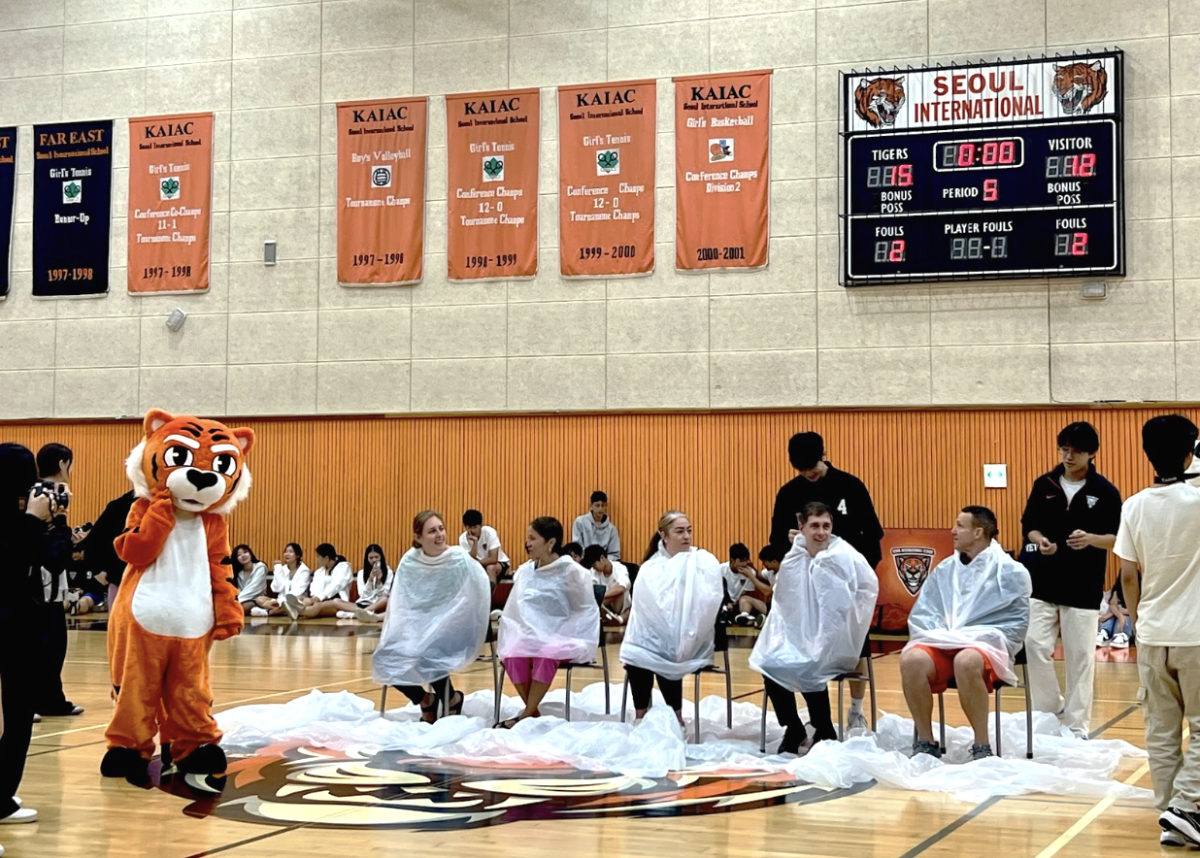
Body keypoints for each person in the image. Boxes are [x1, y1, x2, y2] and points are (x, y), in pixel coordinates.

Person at [1114, 415, 1200, 847]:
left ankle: (1171, 815)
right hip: (1197, 635)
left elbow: (1129, 575)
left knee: (1161, 733)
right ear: (1190, 452)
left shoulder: (1133, 505)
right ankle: (1186, 808)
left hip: (1151, 632)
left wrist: (1137, 622)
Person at [900, 506, 1031, 761]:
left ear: (978, 532)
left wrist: (977, 638)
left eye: (960, 525)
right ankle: (926, 741)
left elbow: (1015, 625)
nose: (953, 530)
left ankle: (981, 744)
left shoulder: (1010, 572)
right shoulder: (945, 570)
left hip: (985, 647)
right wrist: (943, 635)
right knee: (911, 659)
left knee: (967, 660)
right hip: (944, 642)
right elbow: (925, 613)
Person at [750, 502, 878, 754]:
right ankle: (794, 726)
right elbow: (784, 603)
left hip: (836, 639)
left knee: (808, 662)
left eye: (826, 526)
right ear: (802, 527)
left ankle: (823, 726)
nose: (821, 532)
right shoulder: (794, 558)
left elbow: (864, 591)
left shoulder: (844, 556)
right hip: (798, 636)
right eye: (815, 526)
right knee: (769, 662)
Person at [1020, 421, 1121, 738]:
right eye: (1064, 449)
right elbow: (1029, 531)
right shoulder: (1044, 484)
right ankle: (1048, 710)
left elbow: (1117, 539)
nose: (1068, 455)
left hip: (1083, 587)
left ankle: (1077, 727)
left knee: (1080, 659)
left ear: (1092, 453)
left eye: (1076, 451)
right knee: (1034, 644)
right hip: (1043, 583)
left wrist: (1091, 538)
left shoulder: (1104, 492)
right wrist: (1041, 543)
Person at [0, 442, 72, 826]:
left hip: (20, 624)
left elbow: (55, 558)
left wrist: (56, 519)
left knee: (19, 715)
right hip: (12, 620)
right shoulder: (19, 518)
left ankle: (2, 797)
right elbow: (10, 561)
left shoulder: (24, 515)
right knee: (14, 716)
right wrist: (34, 521)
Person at [373, 511, 489, 722]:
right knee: (385, 656)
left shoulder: (458, 558)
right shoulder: (409, 561)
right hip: (418, 626)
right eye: (432, 531)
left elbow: (471, 597)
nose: (439, 535)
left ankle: (450, 698)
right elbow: (403, 601)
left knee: (427, 648)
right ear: (418, 537)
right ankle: (426, 699)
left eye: (441, 529)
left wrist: (439, 622)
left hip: (455, 625)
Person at [619, 511, 723, 726]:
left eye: (689, 530)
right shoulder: (650, 568)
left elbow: (708, 603)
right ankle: (641, 716)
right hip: (656, 634)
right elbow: (643, 612)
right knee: (637, 654)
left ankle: (677, 718)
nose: (686, 536)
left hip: (691, 637)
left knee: (668, 651)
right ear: (663, 535)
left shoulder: (701, 562)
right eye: (680, 531)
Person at [496, 517, 599, 728]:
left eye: (533, 538)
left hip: (566, 636)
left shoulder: (571, 571)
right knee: (512, 653)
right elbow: (517, 611)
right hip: (534, 635)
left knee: (547, 652)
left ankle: (525, 715)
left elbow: (582, 611)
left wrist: (554, 632)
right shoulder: (525, 571)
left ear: (550, 543)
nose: (528, 543)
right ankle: (531, 711)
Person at [32, 443, 81, 718]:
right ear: (63, 464)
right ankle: (39, 701)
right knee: (47, 645)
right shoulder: (49, 492)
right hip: (41, 581)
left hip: (49, 581)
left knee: (52, 645)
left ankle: (50, 699)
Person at [77, 489, 135, 610]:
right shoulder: (121, 505)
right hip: (123, 582)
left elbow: (93, 542)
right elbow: (94, 542)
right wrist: (99, 569)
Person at [284, 544, 353, 620]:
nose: (317, 560)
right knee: (301, 598)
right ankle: (294, 608)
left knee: (317, 606)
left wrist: (319, 598)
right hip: (319, 599)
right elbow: (314, 587)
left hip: (336, 602)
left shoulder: (343, 568)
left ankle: (299, 612)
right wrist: (314, 598)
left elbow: (336, 586)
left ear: (326, 558)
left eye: (318, 557)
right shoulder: (319, 571)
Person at [720, 543, 771, 627]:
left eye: (746, 560)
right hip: (724, 603)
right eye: (741, 561)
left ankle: (745, 618)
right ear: (732, 560)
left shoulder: (750, 573)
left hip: (739, 606)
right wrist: (726, 603)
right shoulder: (720, 570)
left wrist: (734, 604)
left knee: (744, 600)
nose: (744, 564)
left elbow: (745, 594)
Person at [582, 544, 630, 625]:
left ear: (602, 558)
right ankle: (613, 618)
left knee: (621, 589)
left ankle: (621, 618)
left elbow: (621, 588)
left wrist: (601, 595)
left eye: (594, 564)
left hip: (619, 604)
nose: (593, 568)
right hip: (603, 606)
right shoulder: (593, 572)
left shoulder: (620, 568)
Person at [458, 510, 510, 582]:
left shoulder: (489, 532)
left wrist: (475, 564)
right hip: (479, 565)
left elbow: (493, 559)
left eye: (475, 527)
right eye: (469, 527)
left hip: (499, 562)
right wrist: (475, 543)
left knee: (490, 568)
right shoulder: (463, 538)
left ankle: (489, 593)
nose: (472, 530)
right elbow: (470, 560)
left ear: (481, 525)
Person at [572, 490, 621, 561]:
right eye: (597, 505)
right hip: (584, 562)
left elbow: (615, 555)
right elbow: (577, 548)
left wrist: (601, 560)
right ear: (591, 506)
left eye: (603, 505)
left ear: (606, 506)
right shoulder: (580, 522)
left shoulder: (612, 529)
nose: (600, 509)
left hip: (603, 565)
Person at [231, 545, 270, 616]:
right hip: (243, 600)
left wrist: (236, 601)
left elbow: (254, 588)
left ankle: (266, 611)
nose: (243, 556)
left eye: (245, 552)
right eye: (239, 555)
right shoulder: (239, 573)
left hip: (257, 599)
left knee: (241, 608)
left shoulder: (260, 567)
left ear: (250, 553)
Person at [1097, 583, 1133, 648]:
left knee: (1126, 613)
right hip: (1115, 627)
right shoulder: (1117, 588)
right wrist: (1117, 614)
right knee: (1112, 609)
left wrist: (1113, 614)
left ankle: (1122, 635)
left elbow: (1135, 609)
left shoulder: (1139, 589)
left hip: (1131, 624)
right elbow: (1112, 604)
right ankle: (1104, 632)